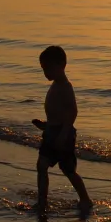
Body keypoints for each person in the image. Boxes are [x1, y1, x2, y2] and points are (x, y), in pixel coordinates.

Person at [32, 45, 93, 213]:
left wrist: (64, 133)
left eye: (48, 69)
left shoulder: (65, 86)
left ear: (61, 65)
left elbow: (72, 112)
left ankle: (85, 199)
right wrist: (45, 125)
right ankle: (42, 202)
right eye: (43, 69)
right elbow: (57, 113)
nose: (46, 73)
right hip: (52, 132)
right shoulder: (55, 85)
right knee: (41, 165)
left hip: (62, 134)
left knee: (68, 170)